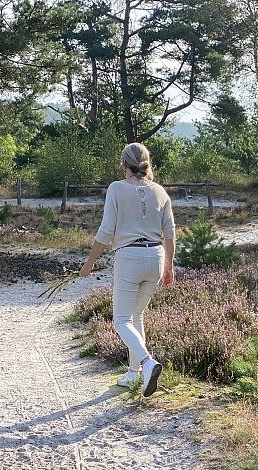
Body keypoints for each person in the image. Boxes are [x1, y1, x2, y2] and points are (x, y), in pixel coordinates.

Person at [79, 142, 176, 397]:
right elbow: (170, 233)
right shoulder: (160, 192)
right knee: (137, 316)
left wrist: (90, 262)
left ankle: (146, 363)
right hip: (155, 257)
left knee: (121, 320)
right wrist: (169, 266)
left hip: (129, 257)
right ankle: (134, 375)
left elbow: (107, 229)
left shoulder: (116, 189)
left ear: (124, 165)